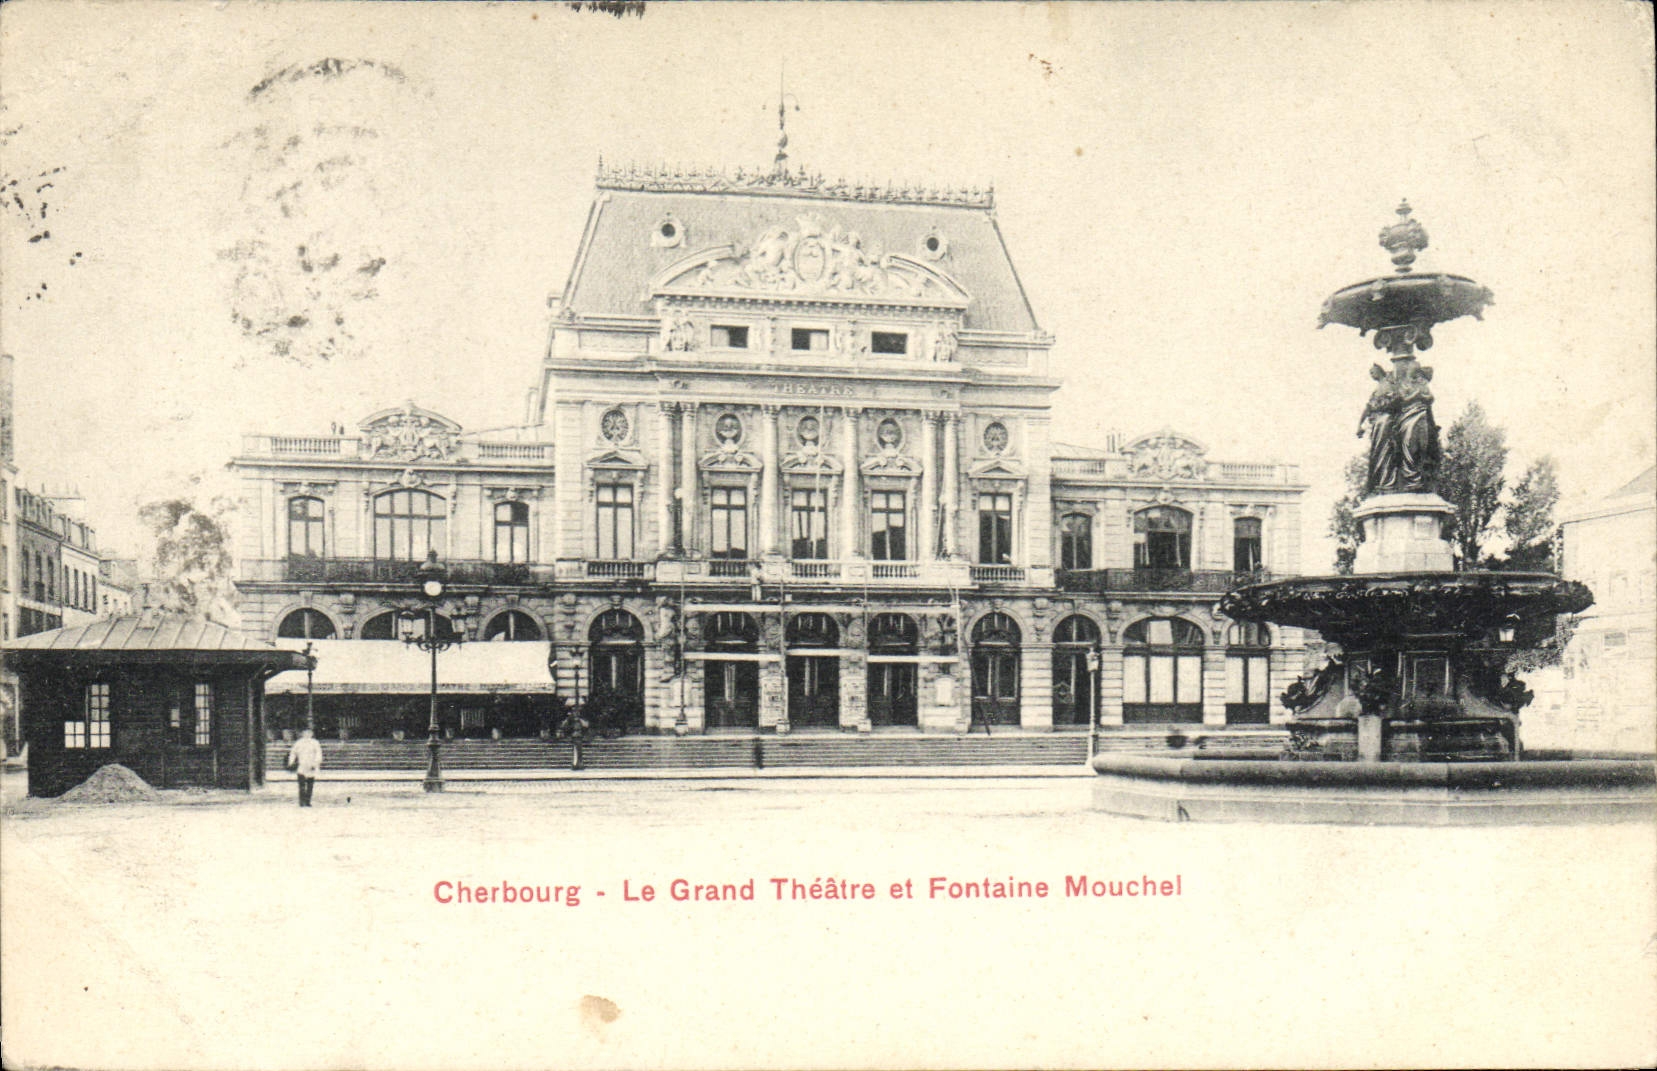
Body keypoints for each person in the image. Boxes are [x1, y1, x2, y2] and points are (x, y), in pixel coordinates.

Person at [287, 727, 323, 807]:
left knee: (310, 785)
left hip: (311, 765)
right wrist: (291, 762)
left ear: (311, 734)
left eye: (309, 733)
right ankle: (301, 801)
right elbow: (293, 753)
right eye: (305, 733)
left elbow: (318, 753)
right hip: (302, 765)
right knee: (301, 784)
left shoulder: (315, 743)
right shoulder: (298, 743)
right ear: (302, 734)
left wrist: (316, 763)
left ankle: (308, 801)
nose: (307, 735)